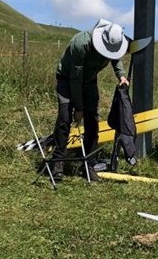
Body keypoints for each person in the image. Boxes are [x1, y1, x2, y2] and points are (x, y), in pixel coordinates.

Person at [50, 19, 130, 181]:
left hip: (89, 81)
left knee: (92, 119)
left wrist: (121, 75)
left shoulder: (113, 43)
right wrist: (78, 108)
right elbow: (75, 79)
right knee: (65, 118)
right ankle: (57, 162)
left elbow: (115, 57)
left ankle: (89, 164)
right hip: (68, 79)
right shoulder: (81, 44)